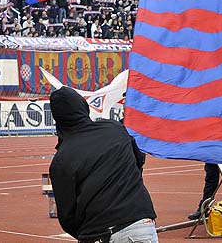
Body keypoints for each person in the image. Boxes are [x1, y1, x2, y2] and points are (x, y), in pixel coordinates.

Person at [48, 87, 158, 243]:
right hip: (138, 222)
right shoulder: (115, 129)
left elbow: (67, 217)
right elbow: (138, 159)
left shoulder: (61, 161)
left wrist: (88, 233)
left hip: (97, 232)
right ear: (83, 107)